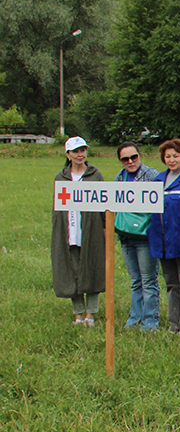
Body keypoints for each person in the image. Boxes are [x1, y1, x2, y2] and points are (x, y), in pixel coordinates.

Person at [148, 139, 180, 335]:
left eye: (175, 156)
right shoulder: (157, 180)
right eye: (168, 156)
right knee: (171, 283)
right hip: (162, 240)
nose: (171, 160)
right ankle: (173, 324)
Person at [52, 136, 104, 326]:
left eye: (82, 150)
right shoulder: (61, 177)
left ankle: (91, 314)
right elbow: (57, 209)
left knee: (91, 269)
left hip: (90, 231)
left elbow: (102, 205)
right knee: (71, 271)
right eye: (75, 151)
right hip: (69, 231)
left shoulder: (95, 175)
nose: (80, 154)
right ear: (68, 154)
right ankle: (78, 313)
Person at [114, 142, 160, 331]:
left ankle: (150, 321)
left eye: (134, 157)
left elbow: (159, 204)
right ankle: (134, 318)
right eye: (125, 159)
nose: (130, 161)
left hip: (145, 236)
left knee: (148, 280)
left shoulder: (151, 175)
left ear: (140, 156)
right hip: (126, 236)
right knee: (135, 280)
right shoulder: (119, 177)